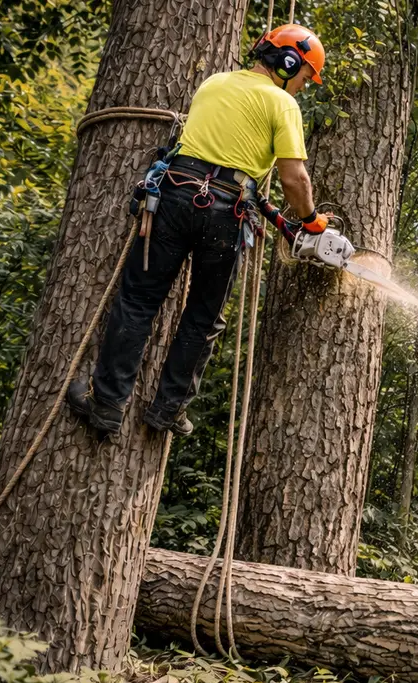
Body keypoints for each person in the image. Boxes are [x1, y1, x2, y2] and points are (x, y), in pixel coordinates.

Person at [68, 24, 342, 438]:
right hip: (226, 213)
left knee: (139, 301)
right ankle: (168, 410)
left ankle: (107, 405)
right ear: (288, 63)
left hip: (174, 197)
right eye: (305, 76)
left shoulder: (213, 83)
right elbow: (294, 178)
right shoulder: (282, 103)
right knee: (202, 317)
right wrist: (311, 221)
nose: (304, 86)